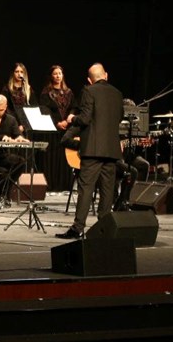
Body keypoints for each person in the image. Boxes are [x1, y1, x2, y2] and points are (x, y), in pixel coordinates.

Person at [58, 63, 123, 239]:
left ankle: (78, 228)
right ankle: (105, 227)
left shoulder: (88, 91)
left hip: (93, 149)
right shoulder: (117, 94)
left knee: (85, 189)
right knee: (107, 190)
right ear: (106, 75)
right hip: (111, 149)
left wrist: (73, 118)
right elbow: (119, 118)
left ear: (89, 79)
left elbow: (85, 118)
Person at [39, 65, 75, 192]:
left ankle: (64, 185)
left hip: (66, 129)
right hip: (52, 129)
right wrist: (56, 123)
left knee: (64, 156)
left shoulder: (69, 92)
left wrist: (67, 120)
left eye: (60, 73)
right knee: (52, 156)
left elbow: (73, 108)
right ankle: (51, 184)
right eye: (55, 73)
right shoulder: (46, 93)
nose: (58, 76)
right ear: (51, 76)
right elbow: (44, 111)